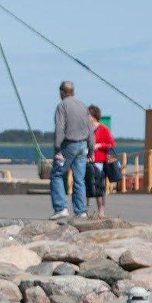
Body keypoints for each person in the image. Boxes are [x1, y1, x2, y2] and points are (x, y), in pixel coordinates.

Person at [50, 81, 95, 220]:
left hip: (69, 144)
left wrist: (57, 148)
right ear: (73, 92)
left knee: (56, 174)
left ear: (62, 92)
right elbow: (90, 128)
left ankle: (61, 208)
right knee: (79, 179)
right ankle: (81, 211)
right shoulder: (83, 105)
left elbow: (60, 128)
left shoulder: (62, 106)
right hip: (83, 145)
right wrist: (91, 149)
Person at [86, 105, 115, 219]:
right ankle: (84, 209)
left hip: (99, 161)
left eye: (88, 115)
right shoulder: (86, 129)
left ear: (93, 116)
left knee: (99, 186)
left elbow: (111, 144)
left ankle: (101, 210)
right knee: (86, 184)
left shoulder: (103, 129)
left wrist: (99, 145)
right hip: (87, 160)